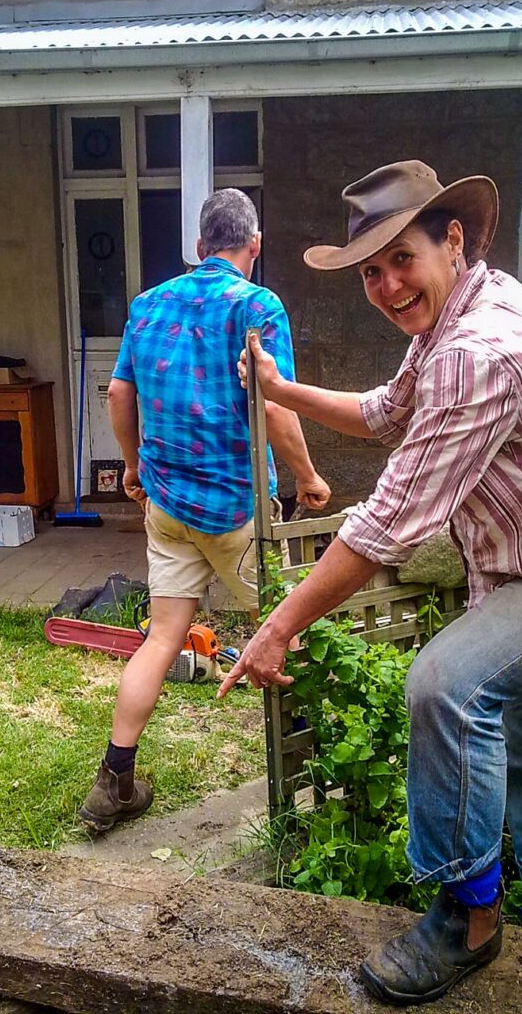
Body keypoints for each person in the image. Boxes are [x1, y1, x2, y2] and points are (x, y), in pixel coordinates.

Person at [218, 160, 522, 1005]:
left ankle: (465, 920)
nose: (386, 284)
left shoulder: (479, 352)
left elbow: (386, 524)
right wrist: (277, 387)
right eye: (370, 269)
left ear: (452, 239)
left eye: (400, 258)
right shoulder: (460, 318)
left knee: (445, 686)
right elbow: (384, 415)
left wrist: (278, 625)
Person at [78, 188, 331, 833]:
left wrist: (132, 467)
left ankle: (115, 780)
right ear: (254, 245)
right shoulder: (256, 306)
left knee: (162, 638)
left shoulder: (147, 304)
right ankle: (320, 767)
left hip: (167, 506)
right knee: (285, 629)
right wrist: (307, 476)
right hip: (236, 510)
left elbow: (118, 391)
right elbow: (274, 404)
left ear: (198, 246)